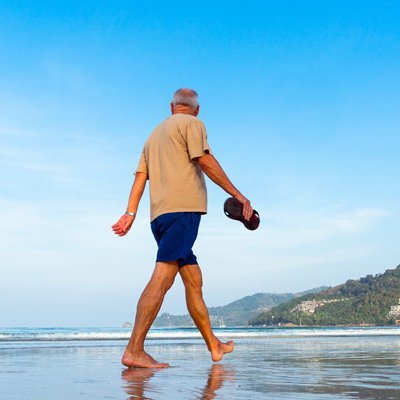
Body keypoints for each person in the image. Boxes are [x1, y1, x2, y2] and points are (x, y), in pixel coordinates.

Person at [112, 88, 253, 368]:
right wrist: (239, 195)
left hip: (159, 217)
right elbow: (204, 160)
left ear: (171, 106)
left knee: (193, 280)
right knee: (163, 277)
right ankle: (134, 350)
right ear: (196, 109)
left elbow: (141, 177)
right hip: (183, 211)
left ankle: (214, 345)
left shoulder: (153, 136)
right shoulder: (194, 124)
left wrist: (130, 212)